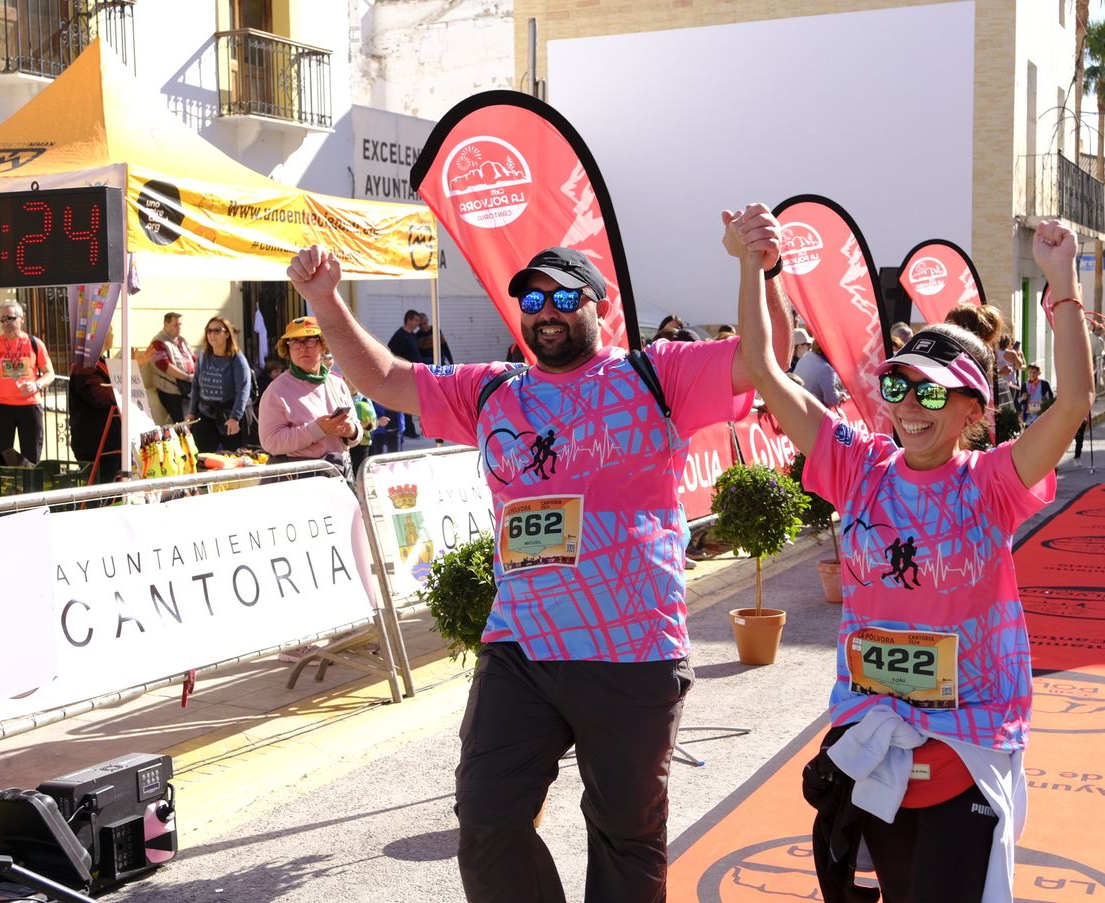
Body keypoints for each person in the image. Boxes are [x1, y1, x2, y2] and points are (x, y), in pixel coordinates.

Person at [284, 205, 791, 903]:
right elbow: (385, 378)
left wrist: (760, 269)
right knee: (487, 816)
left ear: (599, 310)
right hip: (521, 648)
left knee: (626, 834)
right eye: (531, 297)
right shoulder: (491, 391)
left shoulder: (652, 376)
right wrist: (324, 301)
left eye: (562, 296)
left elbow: (763, 360)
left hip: (633, 651)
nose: (545, 310)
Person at [729, 216, 1092, 903]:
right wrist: (752, 267)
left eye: (932, 392)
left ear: (972, 412)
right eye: (899, 388)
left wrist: (1063, 283)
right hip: (877, 742)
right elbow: (766, 370)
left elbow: (1074, 402)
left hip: (967, 740)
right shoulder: (858, 468)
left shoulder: (991, 483)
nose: (910, 408)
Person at [257, 316, 363, 478]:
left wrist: (352, 431)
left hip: (338, 473)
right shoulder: (276, 391)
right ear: (288, 350)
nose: (302, 348)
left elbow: (356, 429)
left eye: (310, 341)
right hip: (299, 479)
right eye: (295, 342)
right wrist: (316, 429)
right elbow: (271, 442)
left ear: (323, 345)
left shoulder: (337, 383)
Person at [0, 299, 53, 464]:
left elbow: (49, 374)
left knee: (31, 459)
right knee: (0, 459)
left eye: (10, 318)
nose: (6, 323)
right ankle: (3, 490)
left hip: (30, 408)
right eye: (2, 319)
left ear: (21, 319)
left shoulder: (35, 344)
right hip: (2, 408)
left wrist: (36, 384)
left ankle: (30, 490)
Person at [188, 316, 253, 455]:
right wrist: (192, 412)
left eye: (217, 331)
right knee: (200, 458)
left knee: (233, 458)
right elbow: (196, 386)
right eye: (209, 331)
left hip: (228, 417)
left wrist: (235, 417)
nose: (212, 335)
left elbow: (243, 389)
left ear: (227, 334)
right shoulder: (203, 356)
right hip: (205, 414)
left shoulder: (237, 359)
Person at [69, 331, 123, 485]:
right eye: (110, 330)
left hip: (109, 444)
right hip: (96, 446)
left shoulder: (100, 361)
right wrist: (123, 386)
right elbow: (100, 398)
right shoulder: (85, 365)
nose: (113, 334)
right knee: (100, 496)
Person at [148, 312, 197, 424]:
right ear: (166, 324)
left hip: (187, 389)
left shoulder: (182, 340)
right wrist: (187, 377)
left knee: (193, 422)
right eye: (176, 325)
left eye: (180, 324)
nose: (179, 328)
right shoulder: (158, 342)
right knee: (183, 425)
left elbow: (194, 358)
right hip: (170, 391)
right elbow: (164, 365)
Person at [388, 310, 426, 437]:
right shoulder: (401, 335)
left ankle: (412, 429)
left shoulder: (412, 335)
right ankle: (408, 430)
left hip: (416, 374)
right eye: (415, 320)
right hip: (406, 374)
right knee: (408, 402)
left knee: (414, 401)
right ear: (409, 320)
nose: (417, 323)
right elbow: (391, 353)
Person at [795, 340, 847, 408]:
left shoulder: (807, 356)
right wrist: (840, 396)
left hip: (796, 404)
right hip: (808, 411)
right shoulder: (825, 368)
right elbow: (832, 401)